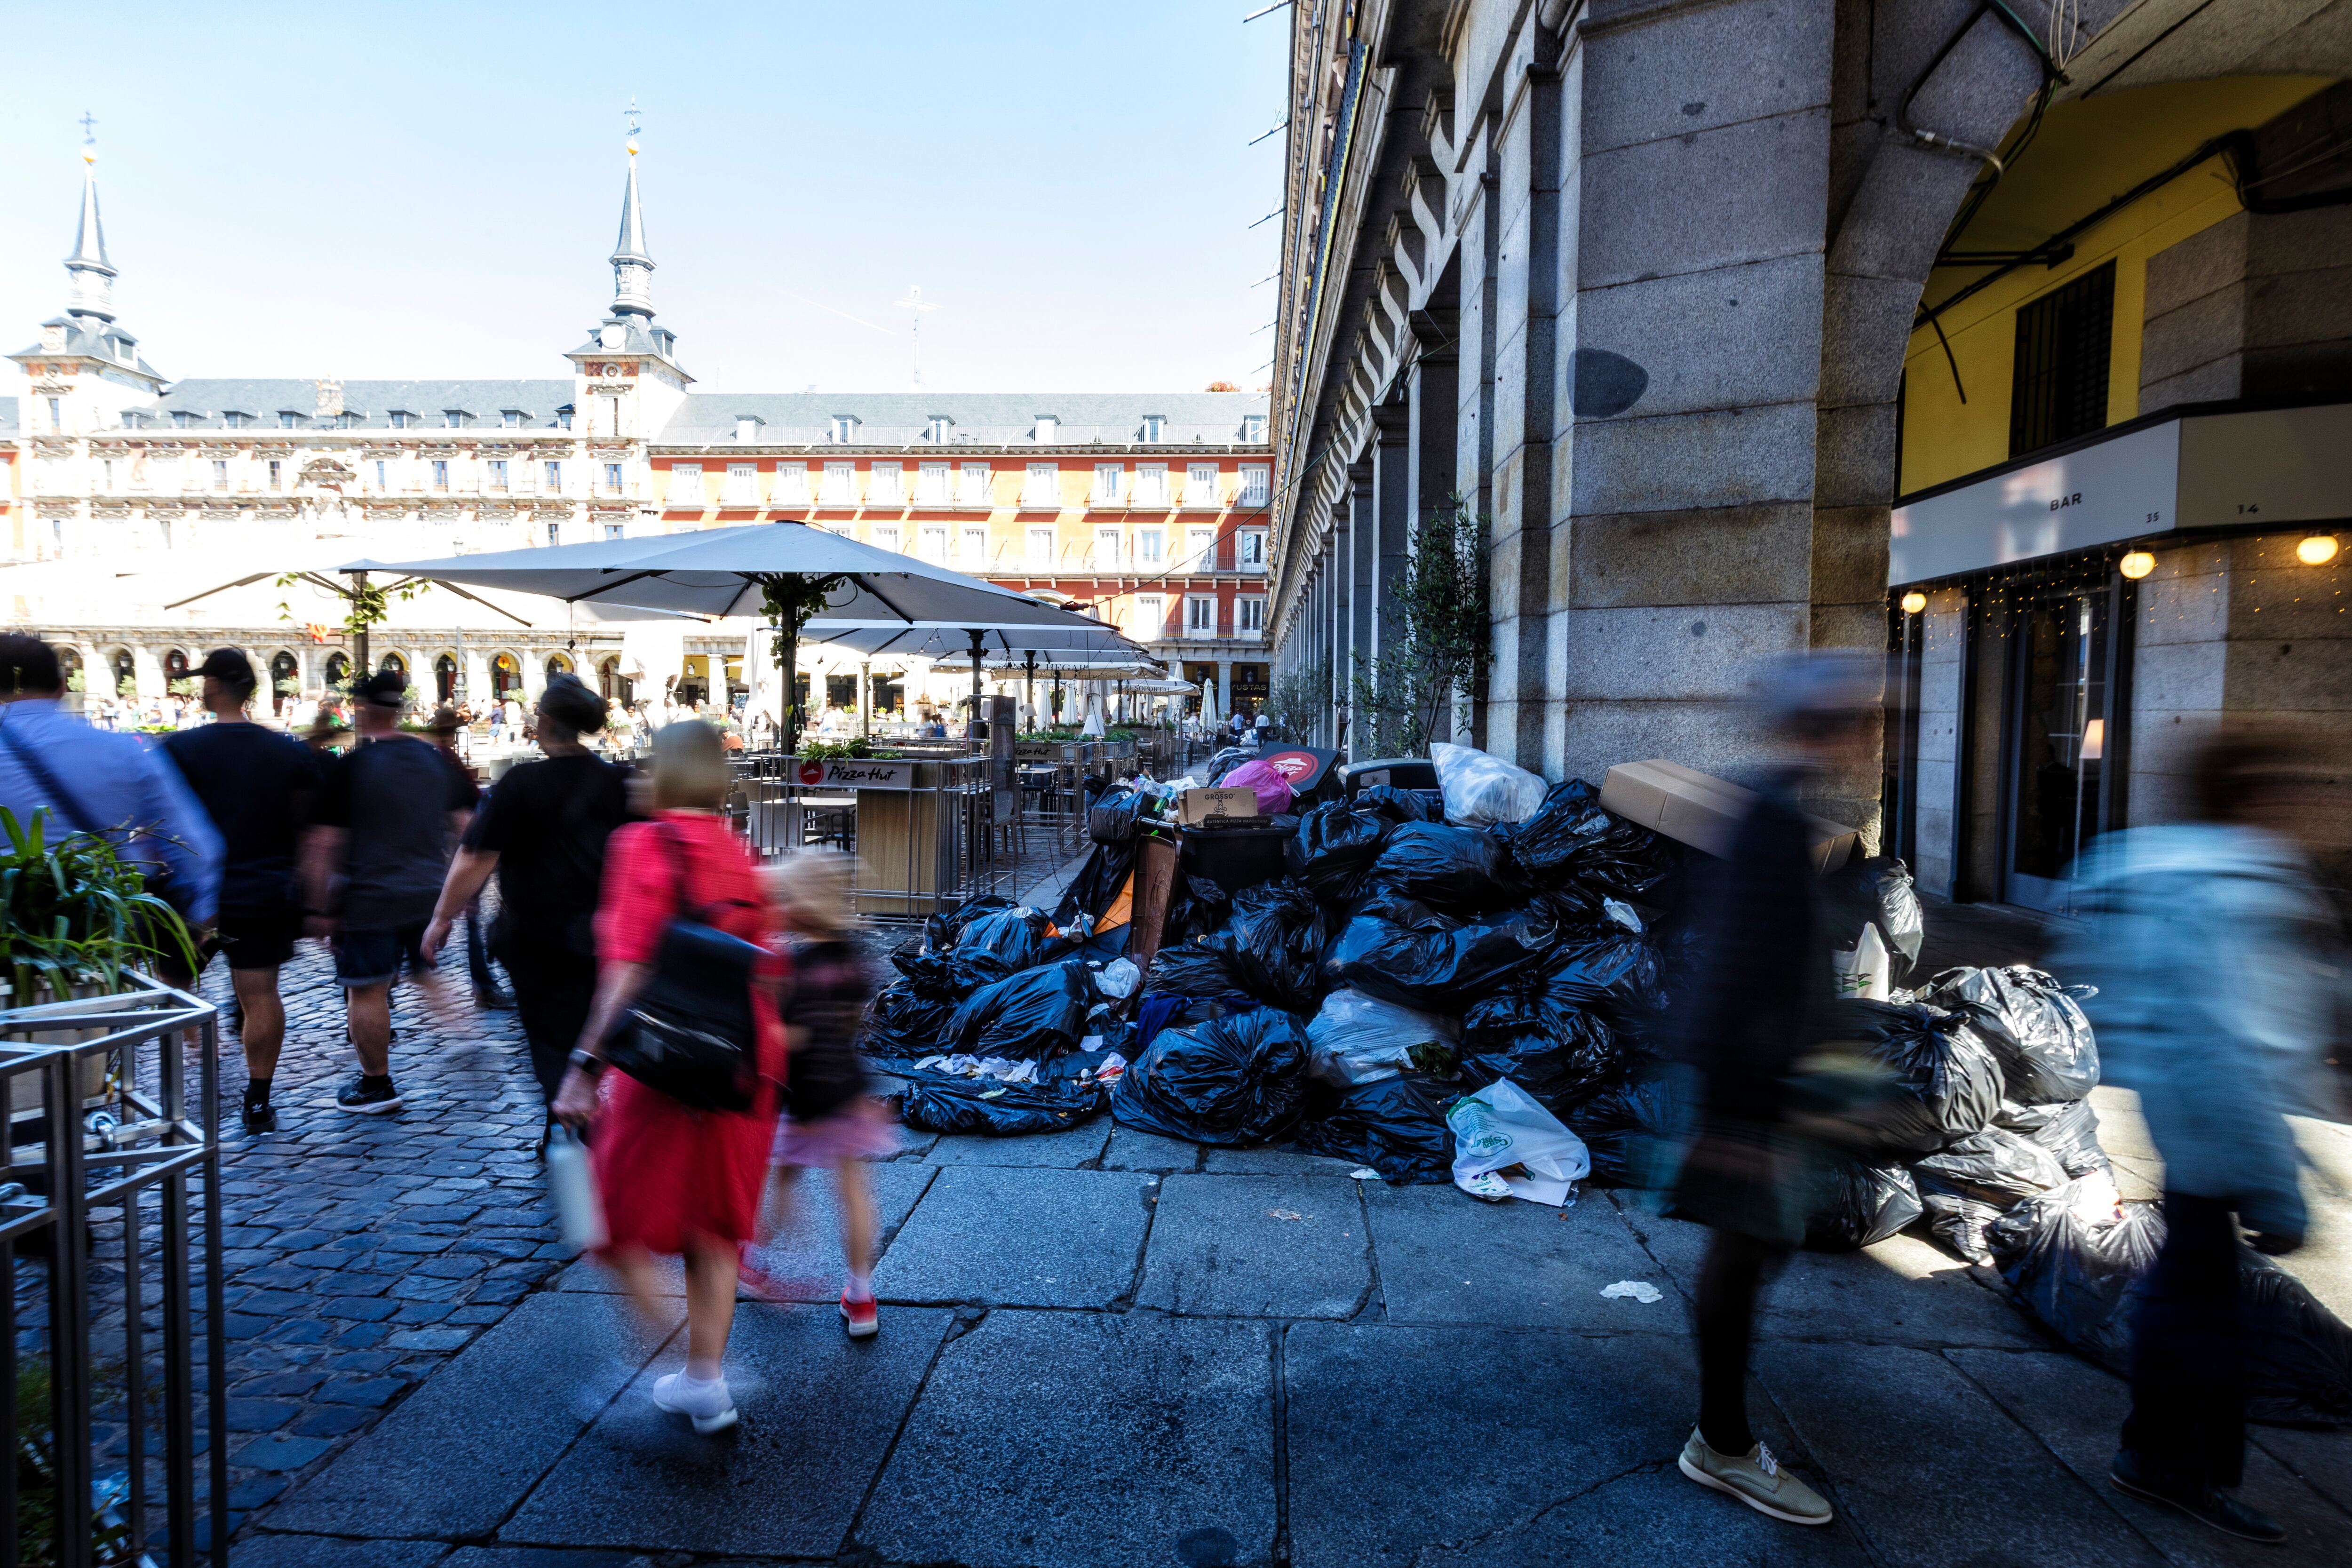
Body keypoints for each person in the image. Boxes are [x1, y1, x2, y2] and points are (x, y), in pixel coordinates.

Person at [2049, 728, 2347, 1544]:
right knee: (2201, 1309)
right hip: (2215, 1126)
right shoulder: (2231, 891)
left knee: (2191, 1292)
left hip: (2191, 1121)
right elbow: (2225, 1048)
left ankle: (2160, 1453)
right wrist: (2276, 1185)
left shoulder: (2200, 877)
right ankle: (2171, 1464)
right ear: (2257, 798)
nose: (2322, 807)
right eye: (2308, 789)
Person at [1662, 653, 1877, 1530]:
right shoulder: (1768, 825)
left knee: (1753, 1250)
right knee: (1744, 1254)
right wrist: (1738, 1112)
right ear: (1815, 724)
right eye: (1853, 716)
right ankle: (1721, 1439)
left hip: (1768, 1083)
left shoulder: (1778, 816)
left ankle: (1723, 1431)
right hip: (1751, 1091)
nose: (1867, 731)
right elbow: (1735, 971)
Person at [551, 720, 785, 1434]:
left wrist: (584, 1067)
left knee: (614, 1223)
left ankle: (678, 1362)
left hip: (670, 1066)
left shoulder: (641, 844)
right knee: (712, 1225)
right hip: (744, 1061)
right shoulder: (737, 850)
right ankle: (704, 1378)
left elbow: (627, 970)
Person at [423, 675, 633, 1130]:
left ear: (545, 722)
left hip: (537, 940)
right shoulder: (620, 782)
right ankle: (563, 1123)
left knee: (549, 1041)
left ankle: (575, 1129)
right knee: (588, 1030)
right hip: (605, 937)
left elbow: (475, 858)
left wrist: (441, 918)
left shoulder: (521, 783)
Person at [159, 650, 322, 1134]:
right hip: (263, 889)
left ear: (212, 686)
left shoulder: (180, 749)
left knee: (175, 985)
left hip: (193, 895)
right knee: (260, 994)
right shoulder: (288, 751)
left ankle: (190, 1059)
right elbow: (309, 831)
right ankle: (257, 1099)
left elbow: (161, 822)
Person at [304, 671, 478, 1113]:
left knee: (367, 989)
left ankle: (376, 1084)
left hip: (370, 896)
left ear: (362, 709)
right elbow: (464, 827)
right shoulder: (434, 759)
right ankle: (466, 1035)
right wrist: (463, 892)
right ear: (399, 708)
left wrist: (319, 906)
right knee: (425, 972)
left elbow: (325, 842)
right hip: (427, 892)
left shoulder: (355, 766)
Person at [752, 850, 887, 1337]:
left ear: (799, 905)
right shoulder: (852, 957)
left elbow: (791, 1040)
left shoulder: (788, 966)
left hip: (805, 1096)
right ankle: (861, 1294)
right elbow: (849, 1023)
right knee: (853, 1191)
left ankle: (758, 1259)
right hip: (848, 1089)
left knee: (783, 1176)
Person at [0, 634, 222, 928]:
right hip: (104, 929)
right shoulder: (125, 751)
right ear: (62, 686)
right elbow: (190, 842)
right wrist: (201, 912)